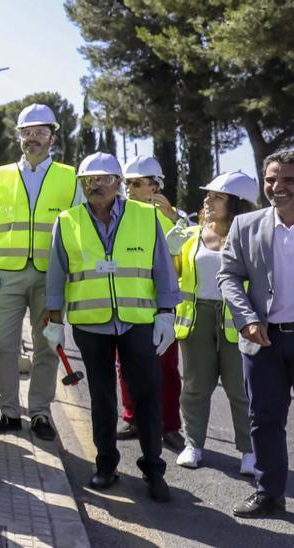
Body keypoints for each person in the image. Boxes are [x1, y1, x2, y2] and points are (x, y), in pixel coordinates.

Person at [44, 152, 179, 503]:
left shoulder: (146, 217)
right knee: (101, 398)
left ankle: (153, 467)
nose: (95, 184)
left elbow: (162, 268)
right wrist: (55, 322)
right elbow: (57, 275)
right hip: (91, 324)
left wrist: (166, 313)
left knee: (147, 394)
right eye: (89, 179)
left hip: (138, 320)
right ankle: (106, 465)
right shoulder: (67, 220)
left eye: (104, 178)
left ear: (119, 183)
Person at [0, 104, 82, 441]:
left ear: (53, 137)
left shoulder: (70, 178)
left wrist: (72, 275)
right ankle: (8, 411)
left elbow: (78, 229)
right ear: (19, 136)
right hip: (6, 274)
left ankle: (40, 412)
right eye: (27, 132)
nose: (33, 138)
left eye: (40, 132)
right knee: (2, 345)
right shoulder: (1, 175)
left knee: (47, 346)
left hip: (51, 277)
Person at [219, 150, 294, 518]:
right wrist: (246, 318)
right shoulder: (245, 225)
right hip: (263, 339)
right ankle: (269, 493)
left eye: (288, 180)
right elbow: (228, 276)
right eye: (271, 179)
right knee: (265, 418)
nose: (278, 187)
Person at [174, 172, 258, 471]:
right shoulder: (192, 235)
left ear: (237, 204)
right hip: (197, 321)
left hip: (239, 323)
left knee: (240, 389)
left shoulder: (253, 238)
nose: (208, 200)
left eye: (217, 196)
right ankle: (193, 444)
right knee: (195, 386)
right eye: (208, 195)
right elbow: (175, 274)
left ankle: (249, 452)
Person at [114, 155, 186, 451]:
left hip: (161, 306)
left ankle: (169, 425)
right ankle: (133, 418)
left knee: (166, 369)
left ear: (155, 187)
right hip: (129, 302)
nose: (129, 189)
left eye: (136, 183)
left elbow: (181, 265)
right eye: (127, 183)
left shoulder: (175, 220)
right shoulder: (118, 214)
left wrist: (172, 220)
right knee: (125, 365)